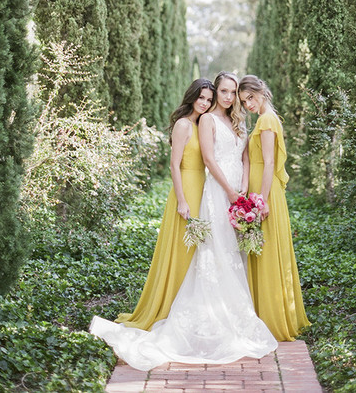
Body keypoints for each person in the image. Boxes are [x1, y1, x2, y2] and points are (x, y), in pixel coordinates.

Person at [89, 71, 277, 369]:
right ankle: (206, 320)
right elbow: (208, 160)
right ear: (216, 92)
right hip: (218, 192)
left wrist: (242, 185)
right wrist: (229, 191)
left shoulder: (238, 121)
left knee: (233, 253)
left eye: (232, 93)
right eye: (223, 92)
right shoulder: (206, 120)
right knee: (214, 252)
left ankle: (231, 311)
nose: (228, 98)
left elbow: (244, 156)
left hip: (237, 192)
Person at [113, 78, 215, 330]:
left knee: (197, 250)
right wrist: (181, 200)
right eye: (201, 97)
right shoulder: (183, 125)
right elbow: (174, 164)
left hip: (203, 187)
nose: (204, 103)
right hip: (186, 190)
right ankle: (168, 306)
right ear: (192, 96)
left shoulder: (202, 124)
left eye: (208, 100)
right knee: (181, 249)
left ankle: (191, 307)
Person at [238, 74, 310, 341]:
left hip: (266, 193)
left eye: (250, 98)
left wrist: (262, 200)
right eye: (244, 101)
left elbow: (268, 163)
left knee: (266, 252)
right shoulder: (264, 119)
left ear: (261, 91)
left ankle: (271, 319)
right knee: (262, 251)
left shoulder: (267, 120)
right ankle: (263, 314)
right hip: (261, 189)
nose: (248, 104)